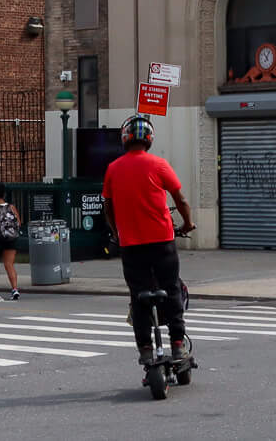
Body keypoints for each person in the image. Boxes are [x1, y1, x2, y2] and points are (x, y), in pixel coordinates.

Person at [100, 114, 194, 366]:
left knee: (138, 295)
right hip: (162, 242)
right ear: (149, 138)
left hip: (131, 246)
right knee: (172, 289)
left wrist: (116, 231)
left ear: (124, 139)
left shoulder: (113, 168)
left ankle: (145, 348)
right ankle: (177, 345)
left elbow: (108, 206)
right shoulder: (159, 164)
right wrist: (187, 224)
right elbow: (180, 200)